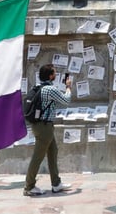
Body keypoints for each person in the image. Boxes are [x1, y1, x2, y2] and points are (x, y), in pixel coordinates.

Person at [24, 65, 73, 196]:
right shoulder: (50, 89)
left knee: (53, 152)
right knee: (37, 157)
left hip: (41, 126)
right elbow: (66, 100)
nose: (56, 75)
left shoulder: (37, 87)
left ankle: (56, 184)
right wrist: (68, 86)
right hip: (44, 127)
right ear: (51, 76)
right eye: (55, 73)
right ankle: (29, 186)